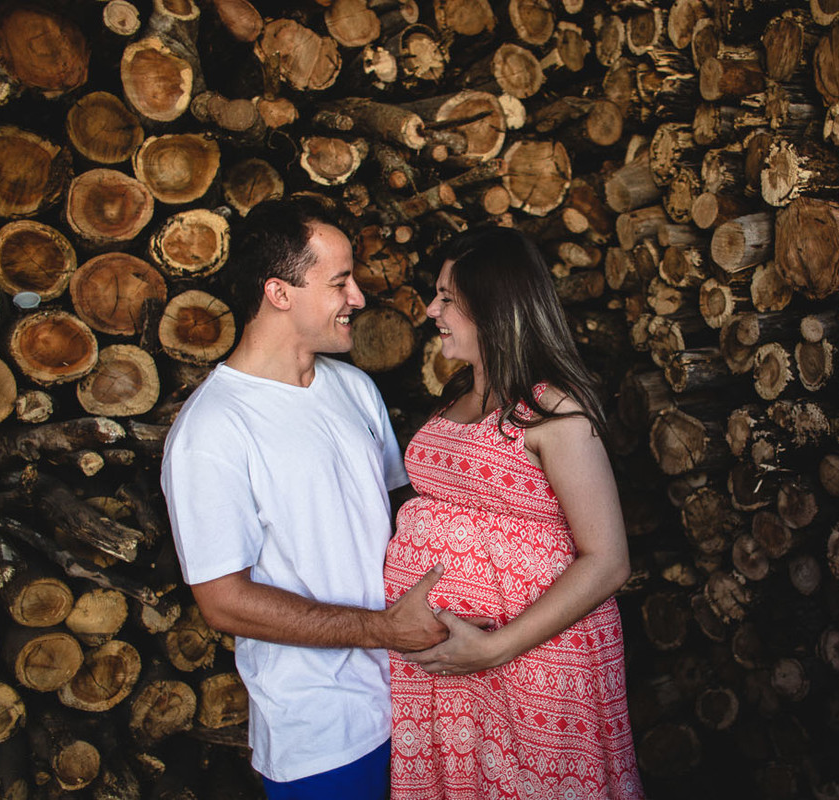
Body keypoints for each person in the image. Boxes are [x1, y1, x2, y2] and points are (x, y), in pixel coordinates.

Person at [160, 197, 448, 800]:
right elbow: (224, 603)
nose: (360, 299)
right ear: (279, 293)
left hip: (425, 699)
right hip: (324, 735)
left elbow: (402, 519)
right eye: (340, 282)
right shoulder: (213, 430)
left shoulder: (354, 387)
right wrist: (382, 629)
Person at [383, 226, 645, 799]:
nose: (432, 310)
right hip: (449, 670)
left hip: (531, 658)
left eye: (448, 297)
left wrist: (497, 646)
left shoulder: (554, 410)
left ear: (494, 305)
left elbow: (607, 561)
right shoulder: (458, 394)